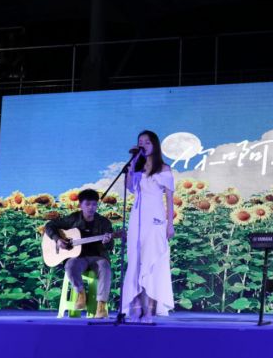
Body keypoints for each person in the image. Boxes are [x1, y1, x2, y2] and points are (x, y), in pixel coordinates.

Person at [122, 130, 175, 323]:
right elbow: (129, 187)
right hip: (137, 218)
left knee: (152, 261)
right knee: (135, 261)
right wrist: (132, 165)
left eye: (147, 142)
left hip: (155, 219)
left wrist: (170, 224)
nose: (143, 145)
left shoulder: (164, 168)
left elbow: (169, 198)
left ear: (154, 145)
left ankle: (150, 309)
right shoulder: (137, 166)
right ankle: (136, 308)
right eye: (140, 142)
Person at [44, 188, 113, 318]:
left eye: (94, 204)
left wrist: (107, 242)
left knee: (105, 267)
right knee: (70, 266)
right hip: (77, 257)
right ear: (80, 205)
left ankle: (101, 306)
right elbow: (49, 226)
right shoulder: (73, 218)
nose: (91, 207)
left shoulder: (104, 222)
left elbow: (110, 247)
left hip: (97, 257)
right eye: (88, 204)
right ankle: (81, 293)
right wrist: (57, 239)